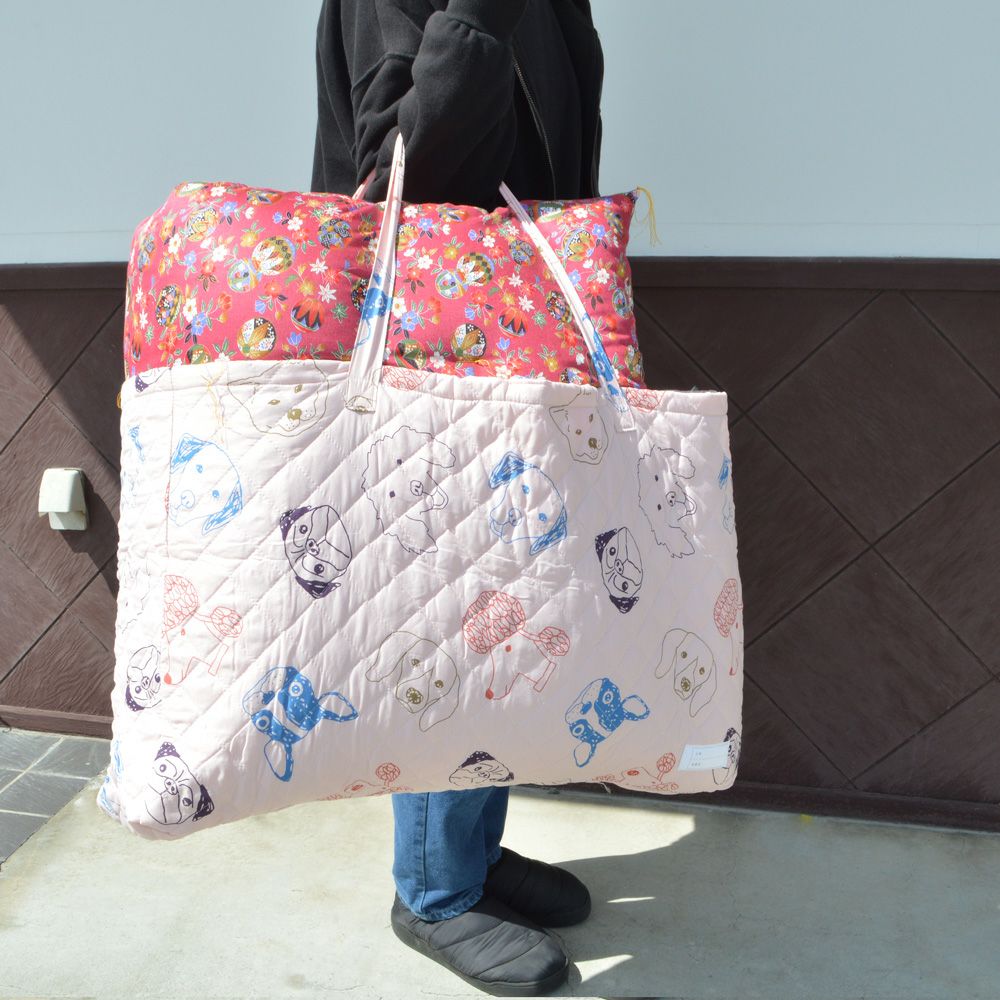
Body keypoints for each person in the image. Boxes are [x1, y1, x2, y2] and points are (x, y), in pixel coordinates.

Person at [312, 1, 606, 994]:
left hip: (510, 331)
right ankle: (433, 890)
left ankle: (471, 850)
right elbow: (405, 164)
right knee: (447, 611)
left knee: (509, 609)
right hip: (431, 345)